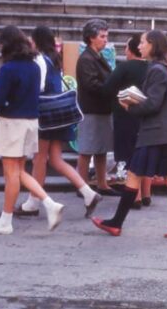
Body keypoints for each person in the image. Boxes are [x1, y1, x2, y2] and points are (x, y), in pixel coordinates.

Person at [91, 30, 167, 239]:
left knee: (134, 173)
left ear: (152, 45)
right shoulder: (166, 67)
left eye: (142, 43)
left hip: (157, 132)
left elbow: (153, 104)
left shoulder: (157, 70)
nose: (139, 46)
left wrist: (129, 106)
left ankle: (116, 223)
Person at [0, 26, 65, 234]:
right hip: (31, 121)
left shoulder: (8, 68)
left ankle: (6, 220)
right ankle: (49, 203)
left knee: (11, 173)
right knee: (19, 171)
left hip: (12, 122)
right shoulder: (34, 66)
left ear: (6, 45)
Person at [15, 26, 102, 217]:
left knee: (39, 159)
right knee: (55, 159)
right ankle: (88, 193)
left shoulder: (39, 59)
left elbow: (39, 87)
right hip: (58, 113)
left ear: (37, 40)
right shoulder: (55, 58)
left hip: (45, 114)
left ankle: (33, 202)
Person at [102, 34, 152, 208]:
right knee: (144, 152)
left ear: (131, 49)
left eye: (126, 47)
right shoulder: (152, 67)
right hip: (147, 115)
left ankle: (135, 196)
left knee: (131, 154)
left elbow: (107, 87)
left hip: (127, 114)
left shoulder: (124, 67)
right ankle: (146, 193)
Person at [76, 18, 120, 196]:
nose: (105, 40)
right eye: (102, 36)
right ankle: (82, 186)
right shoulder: (86, 59)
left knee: (101, 149)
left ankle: (102, 184)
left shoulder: (97, 56)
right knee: (87, 149)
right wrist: (111, 88)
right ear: (91, 38)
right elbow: (91, 84)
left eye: (106, 36)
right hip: (91, 109)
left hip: (102, 108)